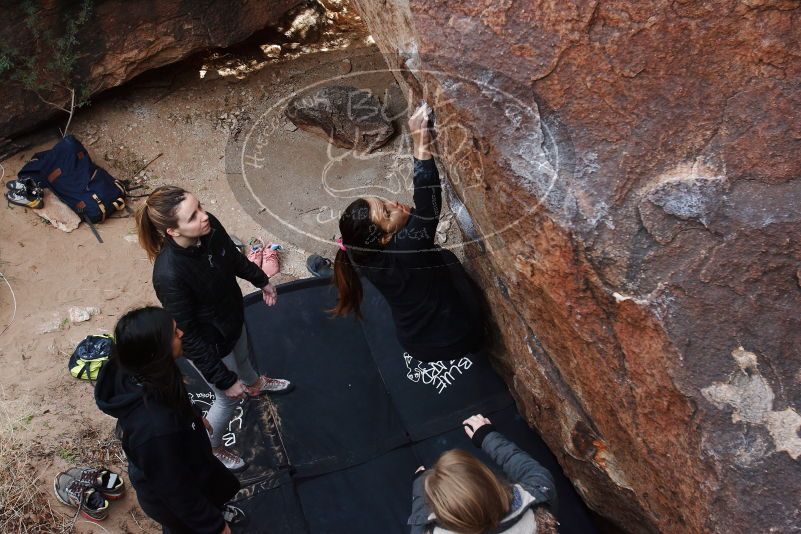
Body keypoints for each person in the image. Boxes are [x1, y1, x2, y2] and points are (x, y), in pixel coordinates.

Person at [135, 185, 292, 471]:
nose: (204, 216)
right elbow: (189, 336)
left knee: (244, 358)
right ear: (173, 231)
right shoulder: (169, 275)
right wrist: (223, 379)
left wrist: (261, 280)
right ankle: (214, 445)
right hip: (209, 343)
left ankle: (255, 384)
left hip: (231, 318)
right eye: (193, 216)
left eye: (201, 207)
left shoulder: (208, 227)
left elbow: (231, 259)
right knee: (227, 400)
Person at [319, 103, 484, 362]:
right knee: (451, 264)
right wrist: (420, 141)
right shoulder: (407, 251)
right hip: (456, 337)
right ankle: (477, 343)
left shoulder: (357, 251)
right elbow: (428, 204)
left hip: (415, 342)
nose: (394, 204)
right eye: (387, 214)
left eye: (382, 201)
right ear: (385, 238)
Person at [95, 307, 243, 534]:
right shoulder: (156, 430)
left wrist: (192, 414)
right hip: (172, 500)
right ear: (156, 351)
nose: (181, 334)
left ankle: (214, 510)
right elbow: (176, 490)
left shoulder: (143, 369)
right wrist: (215, 526)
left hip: (185, 463)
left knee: (208, 496)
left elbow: (171, 391)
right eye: (174, 333)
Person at [408, 414, 559, 534]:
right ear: (489, 478)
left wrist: (421, 486)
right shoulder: (537, 502)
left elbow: (419, 522)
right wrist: (488, 437)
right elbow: (533, 472)